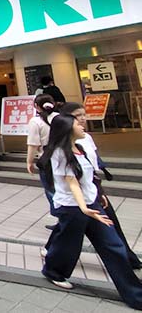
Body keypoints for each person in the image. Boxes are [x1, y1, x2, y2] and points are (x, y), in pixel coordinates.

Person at [39, 115, 142, 308]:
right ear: (68, 129)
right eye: (77, 123)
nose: (82, 125)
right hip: (71, 207)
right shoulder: (59, 153)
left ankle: (136, 295)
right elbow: (72, 183)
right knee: (69, 245)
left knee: (113, 245)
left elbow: (88, 177)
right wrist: (85, 208)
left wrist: (98, 194)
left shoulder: (81, 147)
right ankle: (53, 271)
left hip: (90, 204)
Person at [59, 102, 142, 270]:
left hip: (93, 191)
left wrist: (99, 190)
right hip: (75, 198)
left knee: (108, 226)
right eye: (77, 116)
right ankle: (53, 261)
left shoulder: (86, 138)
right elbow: (68, 179)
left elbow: (94, 166)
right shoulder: (61, 147)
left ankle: (129, 259)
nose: (83, 119)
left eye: (84, 114)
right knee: (69, 230)